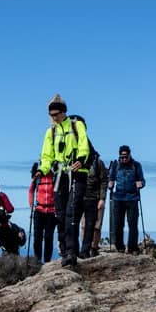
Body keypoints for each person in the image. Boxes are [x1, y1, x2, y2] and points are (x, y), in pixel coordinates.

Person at [35, 94, 90, 267]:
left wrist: (81, 159)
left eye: (57, 114)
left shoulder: (76, 125)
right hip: (59, 175)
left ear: (63, 112)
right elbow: (46, 155)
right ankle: (65, 251)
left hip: (77, 173)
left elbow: (83, 145)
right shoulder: (50, 131)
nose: (54, 118)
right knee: (59, 214)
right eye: (51, 115)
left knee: (71, 213)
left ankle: (72, 253)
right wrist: (41, 170)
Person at [108, 145, 145, 254]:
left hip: (132, 198)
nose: (124, 159)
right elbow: (111, 177)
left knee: (133, 224)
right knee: (118, 224)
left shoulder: (136, 165)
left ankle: (132, 247)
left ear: (129, 155)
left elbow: (143, 180)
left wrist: (141, 184)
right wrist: (110, 183)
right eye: (122, 157)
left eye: (126, 157)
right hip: (118, 198)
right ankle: (119, 247)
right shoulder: (115, 165)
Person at [79, 150, 109, 258]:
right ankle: (84, 248)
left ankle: (94, 248)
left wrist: (102, 198)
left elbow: (104, 181)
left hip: (96, 198)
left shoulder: (98, 163)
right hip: (82, 198)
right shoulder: (78, 162)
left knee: (96, 225)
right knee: (84, 225)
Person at [28, 162, 58, 262]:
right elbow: (31, 190)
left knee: (49, 237)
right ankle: (37, 260)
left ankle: (47, 261)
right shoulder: (38, 177)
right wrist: (32, 204)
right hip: (39, 211)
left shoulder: (54, 176)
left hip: (51, 211)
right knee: (37, 237)